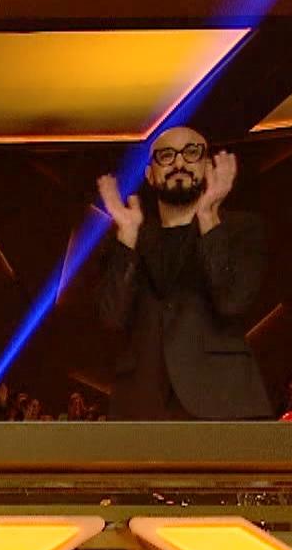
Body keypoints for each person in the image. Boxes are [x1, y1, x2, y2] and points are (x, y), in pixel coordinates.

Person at [94, 126, 272, 420]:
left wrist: (208, 217)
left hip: (222, 399)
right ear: (151, 175)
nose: (179, 163)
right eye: (166, 155)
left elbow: (232, 302)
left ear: (207, 166)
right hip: (141, 405)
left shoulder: (242, 229)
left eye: (191, 153)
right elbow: (111, 317)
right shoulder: (128, 236)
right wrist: (127, 237)